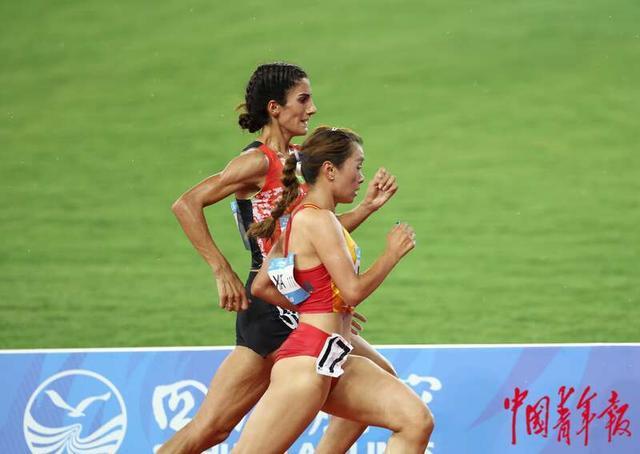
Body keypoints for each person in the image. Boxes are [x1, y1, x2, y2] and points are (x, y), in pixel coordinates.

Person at [160, 63, 401, 453]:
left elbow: (317, 237)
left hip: (294, 303)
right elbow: (186, 205)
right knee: (212, 428)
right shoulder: (256, 162)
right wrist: (222, 270)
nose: (312, 108)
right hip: (268, 306)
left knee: (381, 380)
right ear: (275, 108)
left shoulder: (299, 160)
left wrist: (368, 208)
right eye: (303, 99)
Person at [233, 126, 434, 453]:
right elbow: (352, 292)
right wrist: (391, 255)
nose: (360, 177)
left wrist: (315, 305)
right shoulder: (319, 221)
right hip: (307, 362)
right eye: (357, 166)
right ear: (330, 170)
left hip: (333, 356)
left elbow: (263, 285)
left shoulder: (303, 218)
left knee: (415, 419)